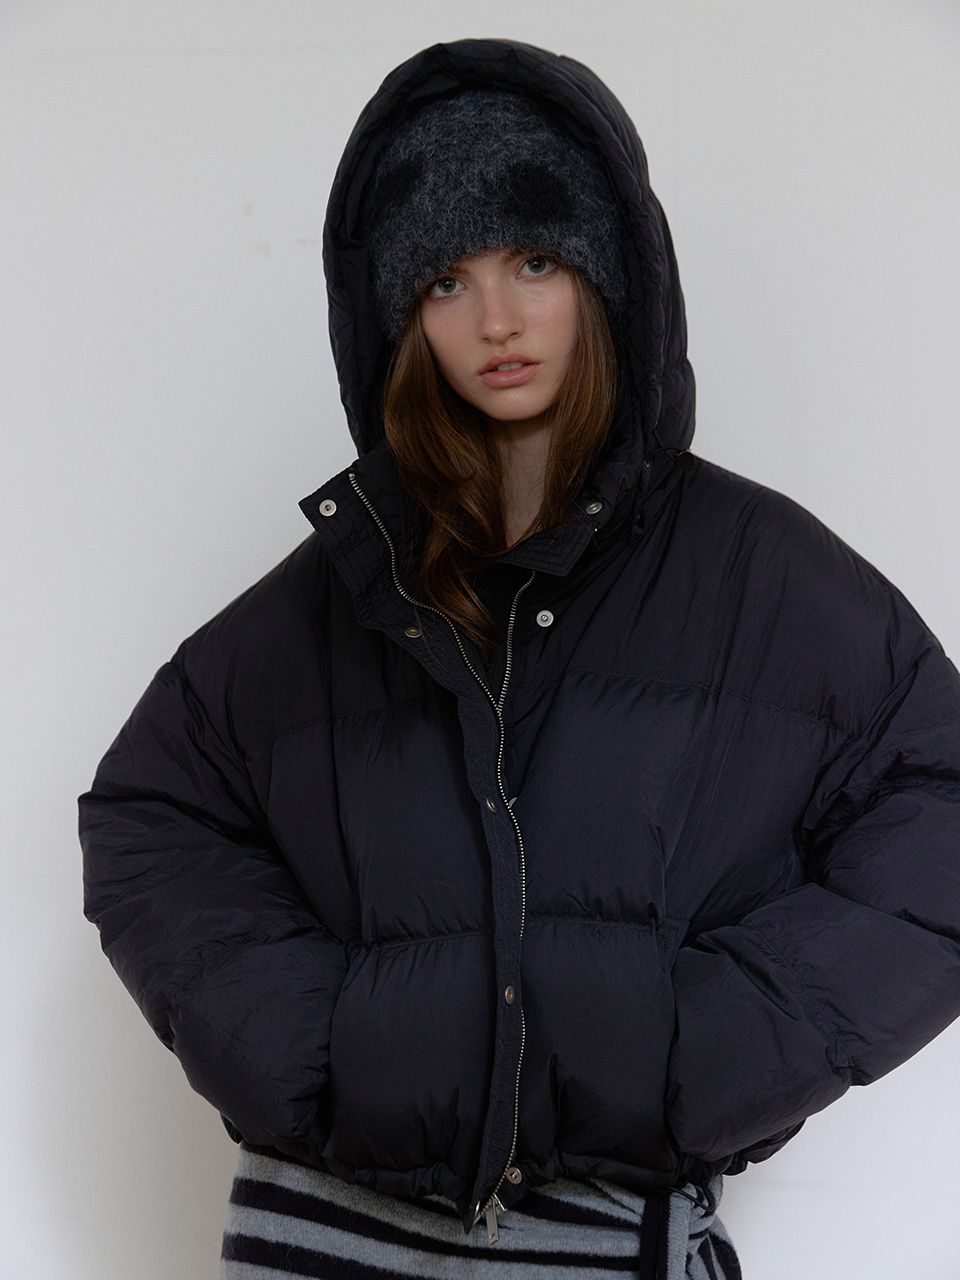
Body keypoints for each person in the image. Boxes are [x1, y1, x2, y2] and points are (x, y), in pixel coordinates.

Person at [77, 36, 960, 1280]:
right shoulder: (343, 586)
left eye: (535, 261)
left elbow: (938, 803)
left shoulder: (762, 574)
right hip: (323, 1236)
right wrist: (319, 1046)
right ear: (399, 314)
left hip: (603, 1241)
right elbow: (153, 811)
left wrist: (703, 1045)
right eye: (446, 278)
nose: (496, 320)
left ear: (611, 271)